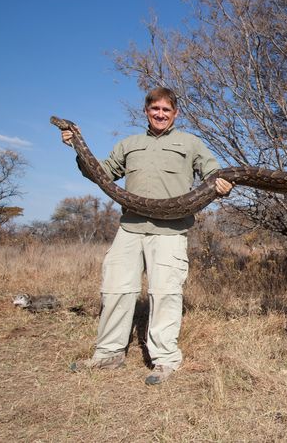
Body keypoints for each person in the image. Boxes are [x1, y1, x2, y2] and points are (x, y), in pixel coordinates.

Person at [61, 87, 233, 385]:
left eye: (166, 110)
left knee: (165, 294)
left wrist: (222, 183)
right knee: (116, 290)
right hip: (130, 227)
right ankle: (108, 354)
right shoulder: (129, 144)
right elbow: (100, 173)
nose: (160, 114)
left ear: (175, 113)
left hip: (170, 231)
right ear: (146, 111)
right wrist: (76, 148)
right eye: (155, 109)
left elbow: (213, 172)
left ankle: (164, 360)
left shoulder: (190, 143)